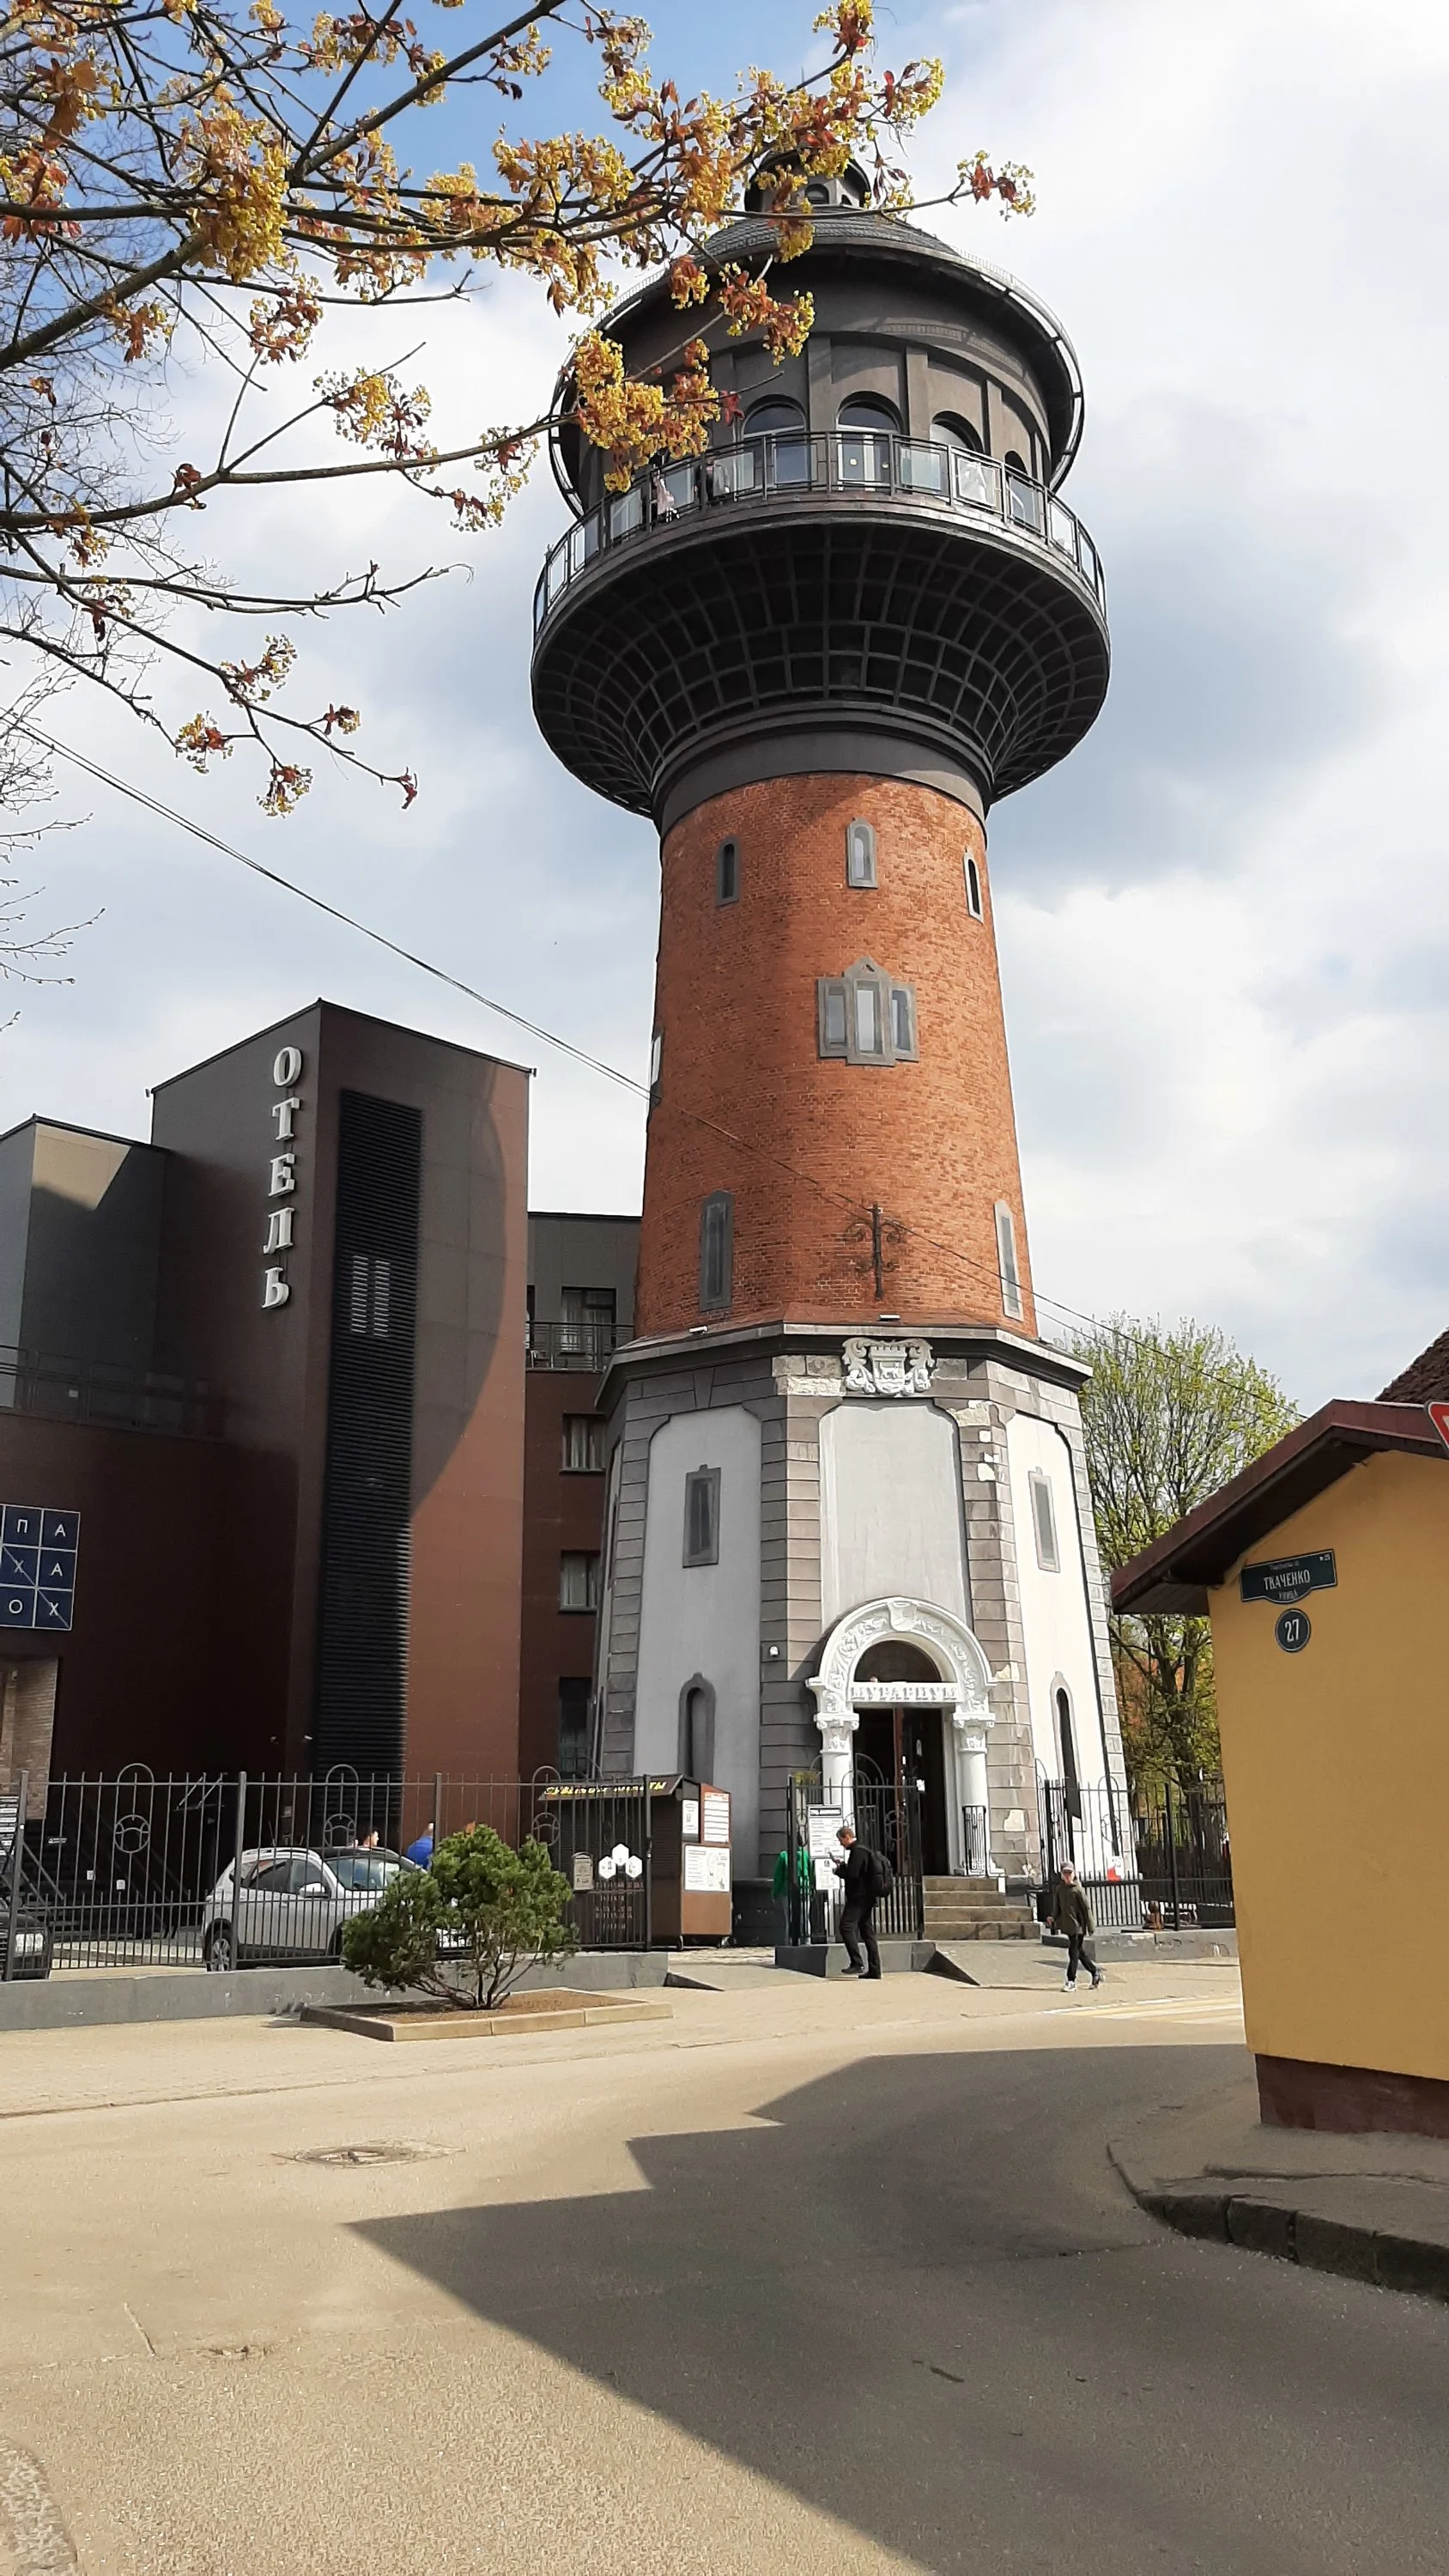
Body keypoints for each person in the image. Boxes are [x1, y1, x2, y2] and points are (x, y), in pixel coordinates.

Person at [833, 1825, 882, 1980]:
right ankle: (875, 1969)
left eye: (841, 1840)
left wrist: (839, 1871)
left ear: (847, 1837)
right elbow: (858, 1871)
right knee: (867, 1932)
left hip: (859, 1897)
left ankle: (857, 1963)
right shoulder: (863, 1850)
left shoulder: (857, 1851)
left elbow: (853, 1875)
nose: (841, 1844)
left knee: (846, 1926)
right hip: (867, 1897)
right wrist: (844, 1866)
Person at [1051, 1862, 1102, 1990]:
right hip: (1069, 1926)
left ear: (1074, 1874)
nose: (1068, 1876)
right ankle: (1095, 1973)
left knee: (1073, 1952)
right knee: (1080, 1953)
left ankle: (1071, 1980)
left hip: (1079, 1926)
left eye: (1070, 1873)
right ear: (1062, 1875)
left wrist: (1090, 1926)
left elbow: (1086, 1908)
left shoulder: (1078, 1889)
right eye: (1065, 1873)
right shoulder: (1060, 1889)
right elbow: (1057, 1907)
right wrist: (1053, 1918)